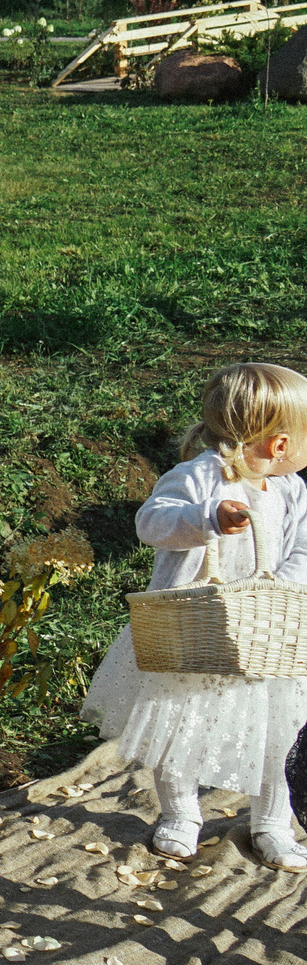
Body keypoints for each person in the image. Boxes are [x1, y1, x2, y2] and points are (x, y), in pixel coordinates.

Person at [85, 361, 307, 868]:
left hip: (266, 633)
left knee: (279, 730)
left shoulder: (292, 488)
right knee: (177, 723)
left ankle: (272, 820)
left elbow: (304, 548)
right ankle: (181, 815)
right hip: (190, 628)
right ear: (278, 444)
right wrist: (205, 519)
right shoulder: (198, 476)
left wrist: (287, 589)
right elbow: (150, 523)